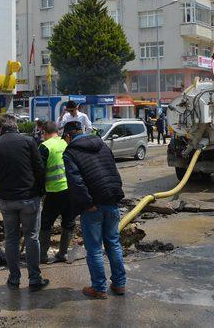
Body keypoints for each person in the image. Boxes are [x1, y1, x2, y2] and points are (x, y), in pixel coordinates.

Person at [0, 114, 49, 291]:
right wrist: (40, 191)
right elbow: (39, 169)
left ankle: (14, 279)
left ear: (0, 129)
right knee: (32, 237)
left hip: (7, 200)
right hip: (29, 199)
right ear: (16, 126)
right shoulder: (28, 142)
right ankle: (35, 279)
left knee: (11, 239)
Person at [63, 121, 126, 299]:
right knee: (113, 243)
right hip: (112, 200)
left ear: (68, 136)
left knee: (95, 249)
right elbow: (114, 171)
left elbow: (76, 183)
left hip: (93, 207)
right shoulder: (103, 145)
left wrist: (87, 204)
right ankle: (120, 284)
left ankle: (99, 288)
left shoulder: (71, 152)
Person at [38, 121, 74, 263]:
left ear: (45, 133)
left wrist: (39, 191)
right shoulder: (65, 143)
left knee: (46, 223)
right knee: (68, 222)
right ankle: (63, 253)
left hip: (54, 190)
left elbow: (39, 171)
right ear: (57, 132)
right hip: (70, 189)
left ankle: (43, 256)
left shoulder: (45, 146)